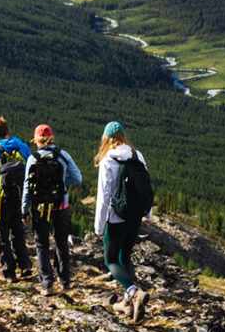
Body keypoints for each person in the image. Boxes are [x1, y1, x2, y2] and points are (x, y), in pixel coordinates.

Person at [94, 121, 153, 321]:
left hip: (117, 216)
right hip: (136, 214)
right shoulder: (138, 156)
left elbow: (103, 197)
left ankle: (134, 292)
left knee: (110, 259)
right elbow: (146, 186)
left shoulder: (107, 161)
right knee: (125, 256)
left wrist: (99, 226)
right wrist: (148, 212)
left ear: (106, 139)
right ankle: (129, 304)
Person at [22, 123, 83, 295]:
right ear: (51, 138)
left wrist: (24, 210)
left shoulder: (33, 159)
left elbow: (27, 186)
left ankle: (47, 284)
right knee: (61, 242)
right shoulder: (62, 156)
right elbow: (78, 178)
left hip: (39, 207)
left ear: (36, 139)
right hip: (60, 204)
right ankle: (64, 281)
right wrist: (63, 183)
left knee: (41, 243)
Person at [0, 117, 33, 282]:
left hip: (2, 199)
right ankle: (25, 264)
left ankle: (8, 271)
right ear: (7, 129)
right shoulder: (23, 147)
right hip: (19, 195)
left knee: (1, 233)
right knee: (17, 230)